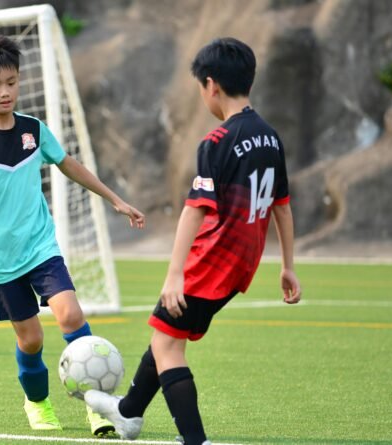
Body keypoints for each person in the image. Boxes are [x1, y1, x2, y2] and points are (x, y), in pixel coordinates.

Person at [84, 38, 303, 445]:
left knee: (168, 347)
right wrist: (287, 266)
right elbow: (283, 207)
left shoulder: (216, 142)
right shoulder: (271, 138)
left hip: (213, 260)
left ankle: (195, 441)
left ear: (211, 85)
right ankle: (128, 412)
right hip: (244, 261)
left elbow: (195, 209)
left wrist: (174, 275)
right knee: (166, 334)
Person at [0, 34, 145, 436]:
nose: (4, 91)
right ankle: (37, 402)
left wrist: (115, 199)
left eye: (11, 82)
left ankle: (97, 405)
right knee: (30, 341)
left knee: (71, 314)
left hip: (40, 247)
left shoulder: (34, 130)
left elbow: (68, 164)